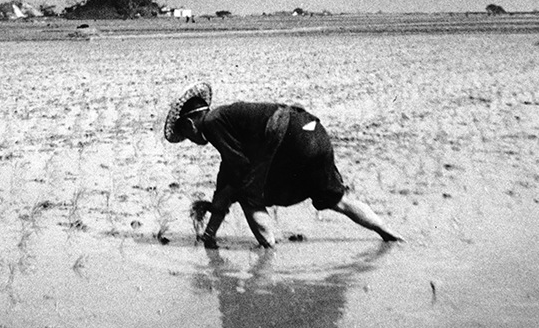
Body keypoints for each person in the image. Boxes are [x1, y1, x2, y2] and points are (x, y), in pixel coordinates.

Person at [164, 81, 404, 248]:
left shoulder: (213, 123)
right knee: (338, 200)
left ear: (189, 125)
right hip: (313, 131)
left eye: (185, 134)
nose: (190, 140)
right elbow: (228, 172)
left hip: (291, 141)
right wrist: (210, 232)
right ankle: (389, 233)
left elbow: (237, 172)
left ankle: (268, 252)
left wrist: (219, 202)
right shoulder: (228, 120)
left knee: (249, 196)